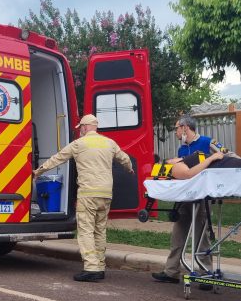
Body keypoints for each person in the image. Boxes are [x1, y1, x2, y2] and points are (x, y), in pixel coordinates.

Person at [33, 114, 134, 282]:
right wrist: (129, 169)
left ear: (85, 127)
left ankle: (91, 267)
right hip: (106, 194)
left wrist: (39, 171)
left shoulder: (79, 144)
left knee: (86, 230)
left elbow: (58, 158)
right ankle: (100, 266)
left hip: (88, 194)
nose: (80, 130)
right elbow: (125, 159)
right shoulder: (109, 143)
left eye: (81, 127)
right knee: (100, 230)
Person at [152, 115, 229, 289]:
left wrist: (209, 163)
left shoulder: (207, 142)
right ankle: (171, 272)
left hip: (202, 197)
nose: (176, 132)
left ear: (186, 127)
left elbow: (224, 153)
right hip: (185, 197)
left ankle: (205, 273)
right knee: (178, 233)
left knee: (200, 234)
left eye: (177, 128)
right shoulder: (182, 149)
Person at [171, 151, 241, 179]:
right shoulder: (175, 166)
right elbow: (189, 174)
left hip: (224, 161)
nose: (175, 157)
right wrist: (211, 158)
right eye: (171, 158)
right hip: (222, 164)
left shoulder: (183, 161)